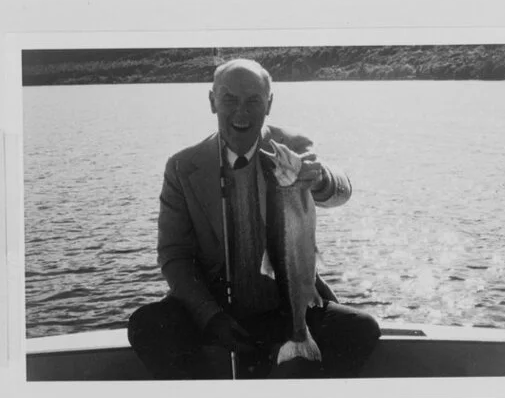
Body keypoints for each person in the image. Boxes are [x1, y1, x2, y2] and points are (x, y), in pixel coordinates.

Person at [128, 58, 380, 379]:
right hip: (216, 310)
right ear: (212, 102)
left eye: (254, 101)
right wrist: (211, 317)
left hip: (288, 303)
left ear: (270, 103)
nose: (241, 113)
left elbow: (341, 190)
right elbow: (174, 256)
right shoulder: (181, 167)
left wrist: (319, 179)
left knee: (360, 329)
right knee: (148, 326)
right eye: (229, 99)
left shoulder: (291, 147)